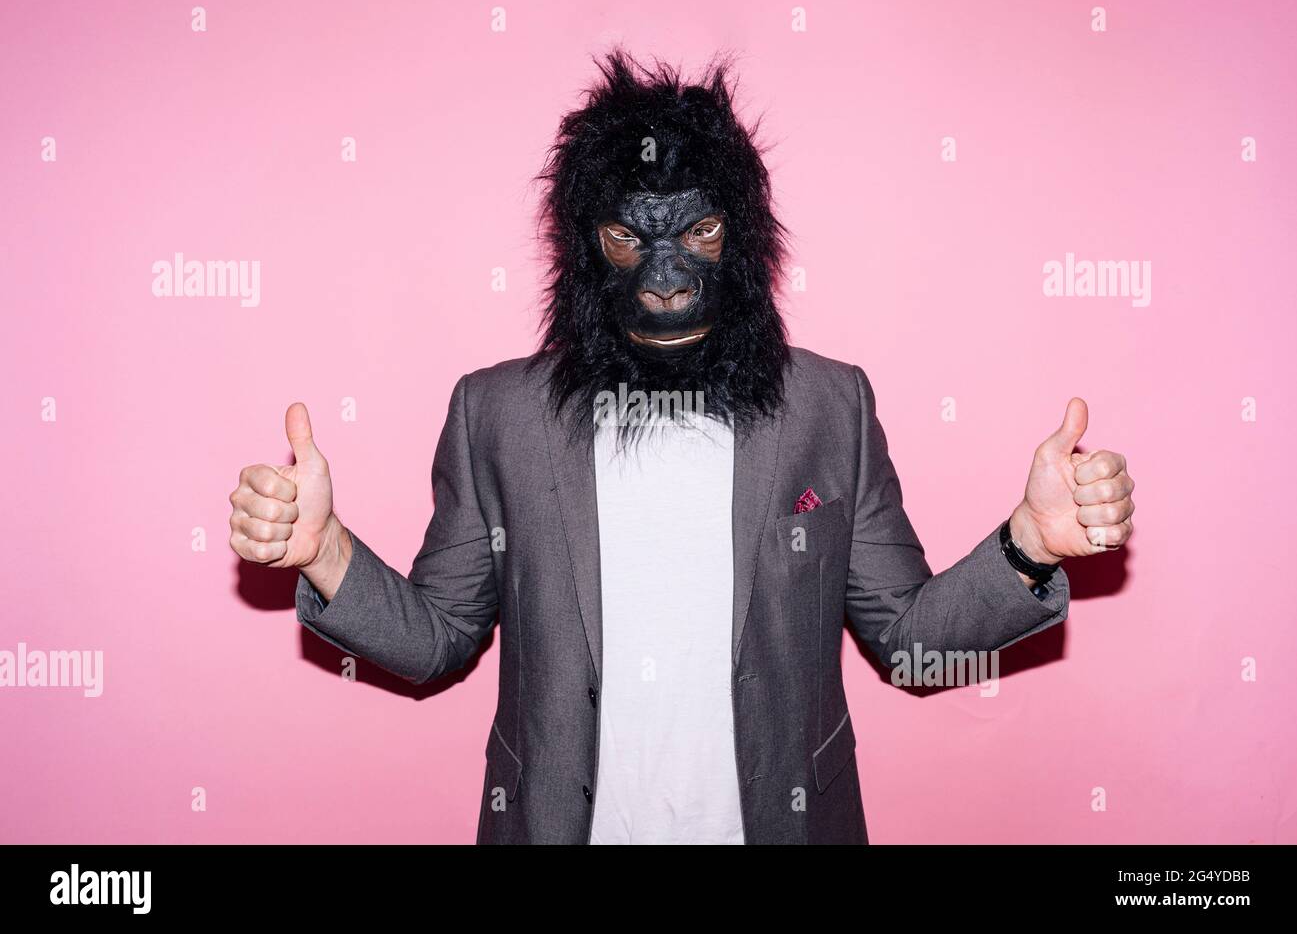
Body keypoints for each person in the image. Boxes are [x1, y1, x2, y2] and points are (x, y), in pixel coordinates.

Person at [228, 52, 1135, 844]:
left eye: (697, 231)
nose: (665, 285)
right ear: (586, 248)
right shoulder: (497, 413)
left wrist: (1028, 544)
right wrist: (327, 552)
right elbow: (437, 640)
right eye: (631, 238)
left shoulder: (830, 405)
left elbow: (906, 641)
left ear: (742, 238)